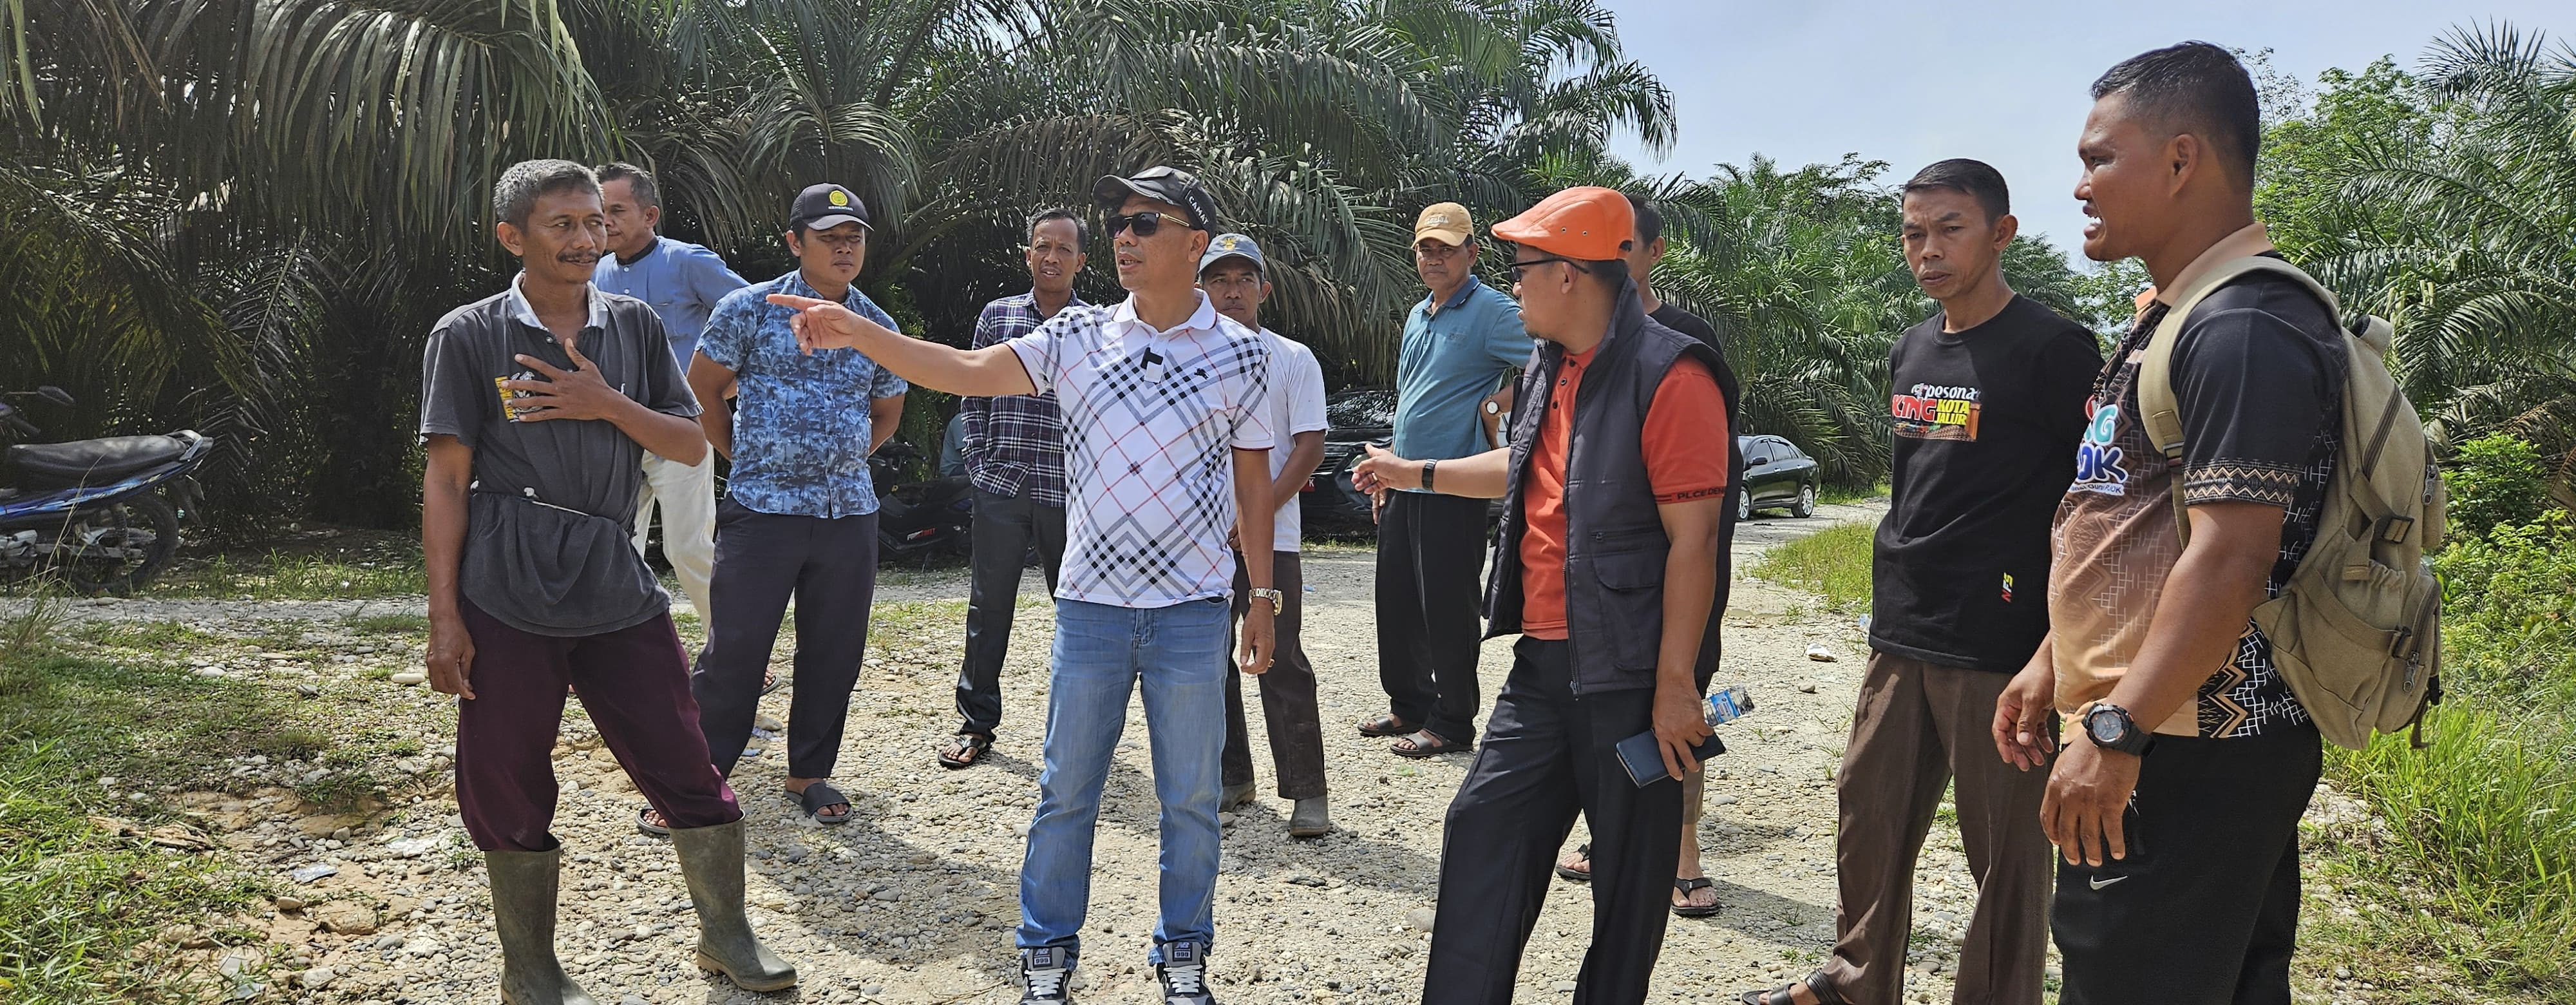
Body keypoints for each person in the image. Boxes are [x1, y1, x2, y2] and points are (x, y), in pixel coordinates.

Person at [759, 166, 1277, 1005]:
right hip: (1093, 614)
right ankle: (1046, 963)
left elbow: (1254, 484)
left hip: (1192, 614)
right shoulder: (1076, 339)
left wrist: (1262, 598)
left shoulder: (1246, 357)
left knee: (1190, 801)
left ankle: (1184, 959)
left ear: (1195, 244)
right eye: (1121, 221)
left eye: (1148, 223)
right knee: (1066, 794)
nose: (1125, 235)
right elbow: (962, 371)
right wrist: (858, 334)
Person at [1997, 42, 2342, 1005]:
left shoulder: (2244, 327)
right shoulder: (2177, 317)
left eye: (2102, 158)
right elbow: (2130, 516)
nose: (2080, 185)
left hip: (2191, 749)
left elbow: (2231, 554)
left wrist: (2115, 730)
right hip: (2172, 731)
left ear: (2183, 160)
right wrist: (2052, 661)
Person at [418, 159, 791, 1002]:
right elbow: (446, 481)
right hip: (506, 576)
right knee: (507, 773)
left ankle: (727, 937)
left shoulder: (634, 327)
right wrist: (445, 616)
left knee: (682, 751)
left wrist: (602, 401)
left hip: (612, 572)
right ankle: (532, 968)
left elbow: (691, 445)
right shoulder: (469, 335)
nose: (588, 239)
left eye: (596, 222)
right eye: (565, 225)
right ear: (513, 236)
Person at [1354, 186, 1731, 1005]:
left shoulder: (1672, 375)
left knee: (1628, 881)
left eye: (1523, 269)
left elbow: (1694, 544)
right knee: (1482, 831)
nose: (1512, 285)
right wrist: (1411, 471)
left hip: (1632, 678)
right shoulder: (1545, 367)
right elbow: (1517, 465)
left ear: (1569, 277)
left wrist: (1676, 687)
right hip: (1544, 665)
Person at [1741, 160, 2101, 1005]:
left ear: (2000, 233)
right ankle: (1855, 983)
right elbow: (1919, 487)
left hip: (1999, 643)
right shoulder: (1911, 348)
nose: (1927, 248)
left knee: (2006, 854)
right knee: (1868, 813)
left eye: (1950, 228)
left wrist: (2057, 645)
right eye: (1913, 232)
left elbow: (2097, 503)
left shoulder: (2054, 349)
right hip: (1903, 628)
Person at [674, 182, 908, 831]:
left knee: (835, 649)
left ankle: (809, 771)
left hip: (847, 514)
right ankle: (700, 780)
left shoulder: (875, 325)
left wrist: (850, 456)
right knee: (736, 650)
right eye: (829, 235)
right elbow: (702, 393)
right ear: (794, 242)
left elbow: (888, 406)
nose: (844, 246)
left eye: (853, 235)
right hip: (762, 510)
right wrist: (745, 458)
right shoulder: (747, 309)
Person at [1555, 193, 1748, 919]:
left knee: (1679, 702)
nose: (1613, 260)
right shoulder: (1570, 346)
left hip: (1672, 569)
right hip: (1591, 582)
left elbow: (1697, 495)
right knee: (1599, 707)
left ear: (1652, 252)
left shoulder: (1684, 344)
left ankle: (1683, 850)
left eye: (1626, 247)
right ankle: (1605, 835)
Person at [1365, 201, 1533, 759]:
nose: (1434, 257)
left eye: (1446, 247)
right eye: (1425, 248)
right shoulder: (1420, 313)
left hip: (1453, 483)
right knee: (1398, 601)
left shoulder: (1492, 311)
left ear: (1472, 253)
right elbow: (1411, 398)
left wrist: (1496, 403)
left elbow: (1552, 359)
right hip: (1403, 481)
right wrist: (1389, 467)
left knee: (1447, 604)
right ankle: (1409, 706)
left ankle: (1453, 721)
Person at [941, 208, 1088, 769]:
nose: (1052, 257)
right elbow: (970, 392)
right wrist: (979, 464)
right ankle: (977, 724)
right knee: (989, 607)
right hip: (1002, 486)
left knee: (1077, 609)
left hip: (1069, 492)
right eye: (1042, 247)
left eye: (1064, 249)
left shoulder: (1097, 326)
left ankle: (1078, 729)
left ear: (1081, 261)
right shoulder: (998, 315)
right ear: (1028, 254)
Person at [1197, 233, 1334, 838]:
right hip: (1196, 541)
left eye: (1243, 280)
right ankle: (1234, 775)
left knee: (1280, 659)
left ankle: (1308, 791)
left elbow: (1309, 448)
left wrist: (1255, 516)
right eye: (1219, 280)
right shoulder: (1185, 355)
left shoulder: (1293, 359)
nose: (1231, 291)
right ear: (1200, 287)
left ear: (1264, 289)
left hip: (1271, 539)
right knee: (1207, 660)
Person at [590, 162, 748, 629]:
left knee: (689, 548)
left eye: (618, 210)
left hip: (681, 429)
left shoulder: (687, 261)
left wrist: (722, 390)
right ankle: (616, 654)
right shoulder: (593, 274)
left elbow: (754, 318)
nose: (606, 222)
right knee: (617, 545)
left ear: (650, 215)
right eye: (600, 212)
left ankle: (740, 656)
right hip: (615, 432)